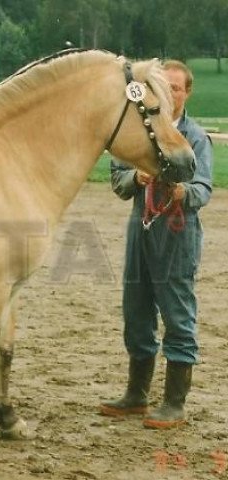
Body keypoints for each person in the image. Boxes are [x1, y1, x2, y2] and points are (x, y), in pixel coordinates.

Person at [100, 60, 213, 429]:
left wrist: (181, 191)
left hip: (177, 235)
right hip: (140, 230)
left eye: (177, 89)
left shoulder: (195, 137)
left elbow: (204, 188)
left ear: (187, 92)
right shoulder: (139, 133)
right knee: (136, 314)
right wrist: (137, 175)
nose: (171, 94)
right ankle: (136, 396)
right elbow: (118, 181)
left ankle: (174, 404)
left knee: (178, 316)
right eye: (165, 88)